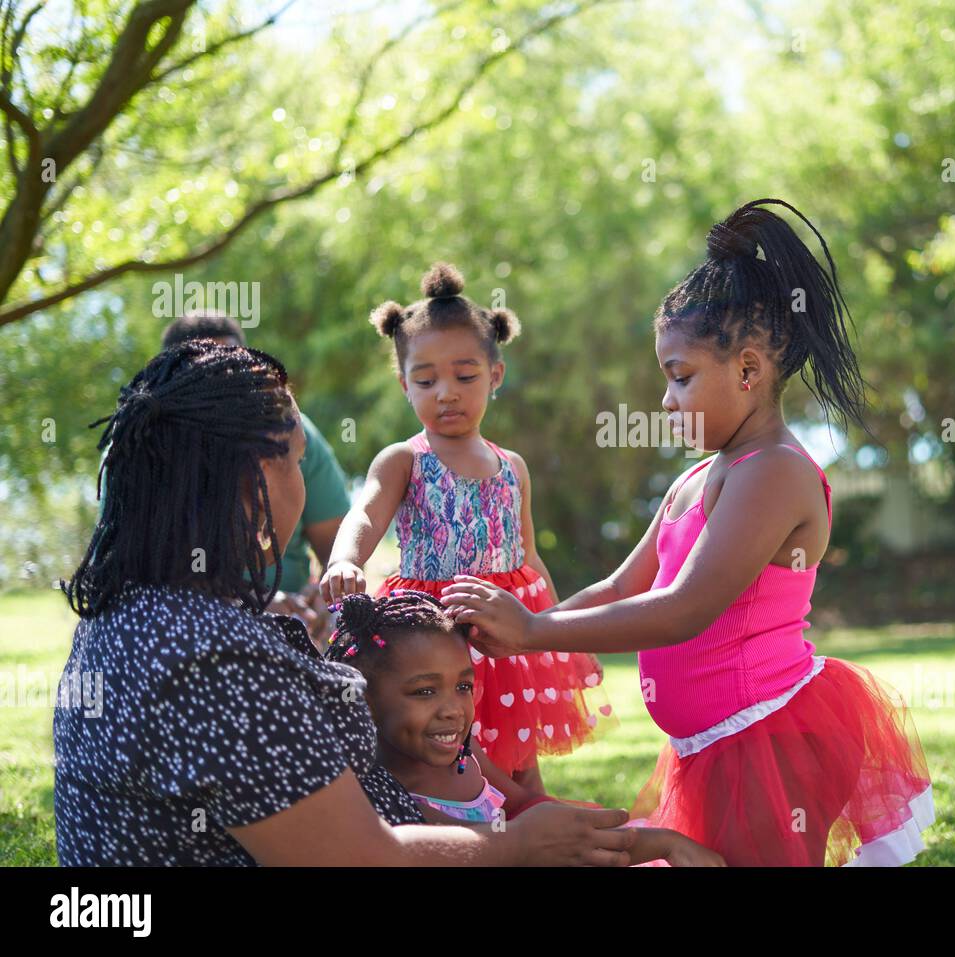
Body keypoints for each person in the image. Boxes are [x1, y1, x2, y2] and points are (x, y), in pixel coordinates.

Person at [442, 199, 936, 866]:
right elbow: (623, 585)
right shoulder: (697, 479)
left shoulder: (776, 473)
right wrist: (524, 634)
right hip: (708, 745)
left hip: (769, 739)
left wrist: (533, 631)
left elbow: (685, 608)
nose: (667, 400)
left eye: (680, 377)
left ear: (749, 370)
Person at [53, 339, 635, 865]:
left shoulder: (131, 613)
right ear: (259, 474)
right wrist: (517, 845)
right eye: (300, 460)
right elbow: (358, 858)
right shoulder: (211, 657)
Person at [321, 263, 615, 793]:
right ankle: (472, 830)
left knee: (520, 749)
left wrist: (546, 623)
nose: (446, 393)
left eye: (465, 375)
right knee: (453, 754)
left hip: (506, 627)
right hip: (435, 631)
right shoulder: (402, 459)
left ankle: (535, 822)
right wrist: (346, 558)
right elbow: (363, 513)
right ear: (404, 384)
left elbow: (527, 553)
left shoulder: (512, 466)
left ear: (495, 375)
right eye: (426, 380)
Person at [323, 590, 722, 866]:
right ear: (364, 699)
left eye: (463, 686)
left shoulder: (465, 755)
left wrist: (660, 841)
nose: (453, 710)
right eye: (424, 691)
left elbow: (523, 805)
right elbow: (501, 848)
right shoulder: (376, 791)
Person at [154, 312, 351, 645]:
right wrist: (246, 606)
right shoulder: (141, 451)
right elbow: (142, 579)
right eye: (203, 373)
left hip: (297, 622)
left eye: (232, 368)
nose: (222, 385)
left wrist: (330, 596)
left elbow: (338, 550)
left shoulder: (292, 432)